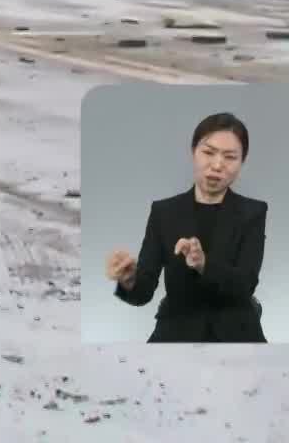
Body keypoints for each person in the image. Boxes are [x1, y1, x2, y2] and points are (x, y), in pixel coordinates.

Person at [104, 112, 268, 343]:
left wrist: (203, 264)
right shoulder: (164, 212)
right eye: (208, 152)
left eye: (230, 157)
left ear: (242, 162)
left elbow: (245, 285)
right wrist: (129, 279)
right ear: (193, 152)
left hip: (238, 334)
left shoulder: (253, 213)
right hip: (175, 332)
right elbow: (143, 293)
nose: (217, 165)